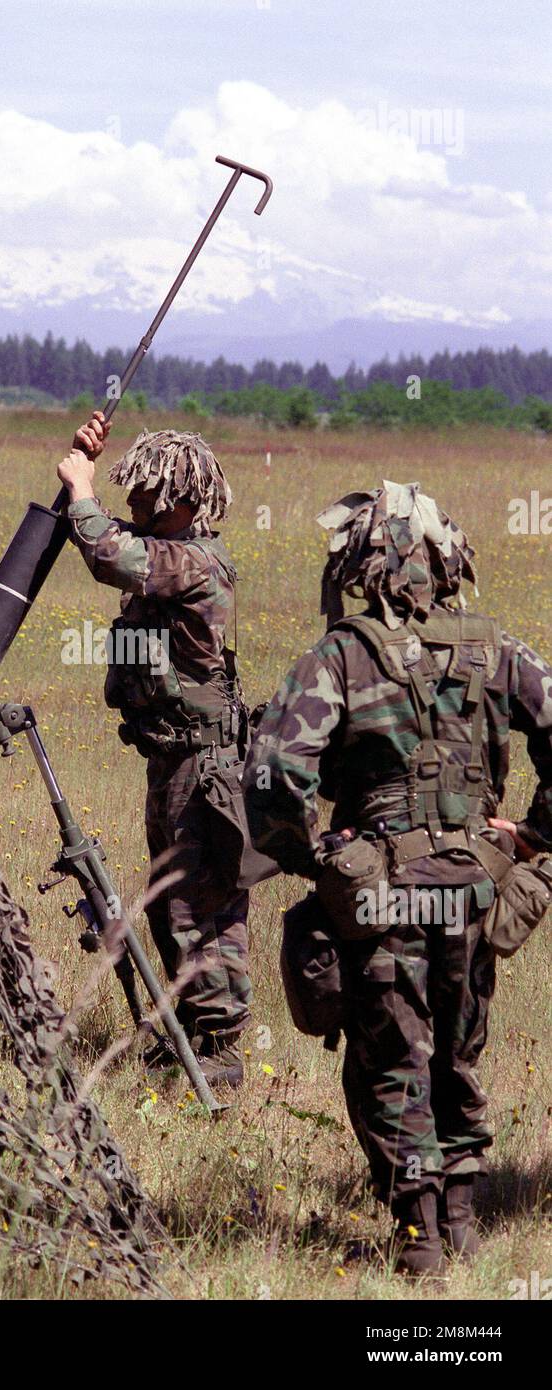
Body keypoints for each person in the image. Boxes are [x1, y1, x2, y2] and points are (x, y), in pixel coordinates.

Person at [243, 480, 552, 1273]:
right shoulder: (498, 650)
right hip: (477, 889)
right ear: (446, 565)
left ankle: (419, 1247)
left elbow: (277, 773)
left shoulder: (341, 655)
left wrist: (314, 852)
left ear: (361, 564)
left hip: (383, 894)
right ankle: (461, 1221)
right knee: (455, 1053)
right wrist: (533, 835)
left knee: (392, 1061)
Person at [57, 411, 265, 1088]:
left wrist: (82, 488)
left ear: (179, 501)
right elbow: (106, 541)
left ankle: (219, 1052)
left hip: (203, 767)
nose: (136, 508)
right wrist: (84, 467)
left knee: (199, 905)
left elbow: (107, 553)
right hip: (171, 760)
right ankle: (186, 1033)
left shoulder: (196, 564)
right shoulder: (167, 554)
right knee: (174, 903)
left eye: (146, 497)